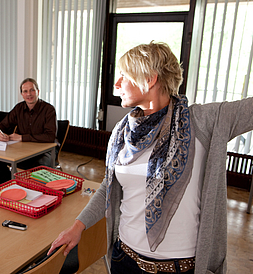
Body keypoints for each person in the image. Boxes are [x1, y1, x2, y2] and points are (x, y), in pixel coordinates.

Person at [49, 41, 253, 274]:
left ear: (149, 79)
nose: (117, 84)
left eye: (124, 76)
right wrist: (78, 226)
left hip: (179, 268)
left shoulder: (203, 122)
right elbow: (110, 186)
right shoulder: (123, 132)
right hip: (124, 260)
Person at [0, 78, 57, 184]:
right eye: (25, 91)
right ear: (21, 94)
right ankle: (8, 185)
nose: (29, 94)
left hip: (44, 152)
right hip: (22, 150)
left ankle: (34, 193)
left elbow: (50, 137)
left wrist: (22, 137)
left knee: (39, 167)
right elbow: (0, 126)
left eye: (32, 90)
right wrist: (0, 134)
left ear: (38, 92)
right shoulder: (19, 108)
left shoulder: (49, 110)